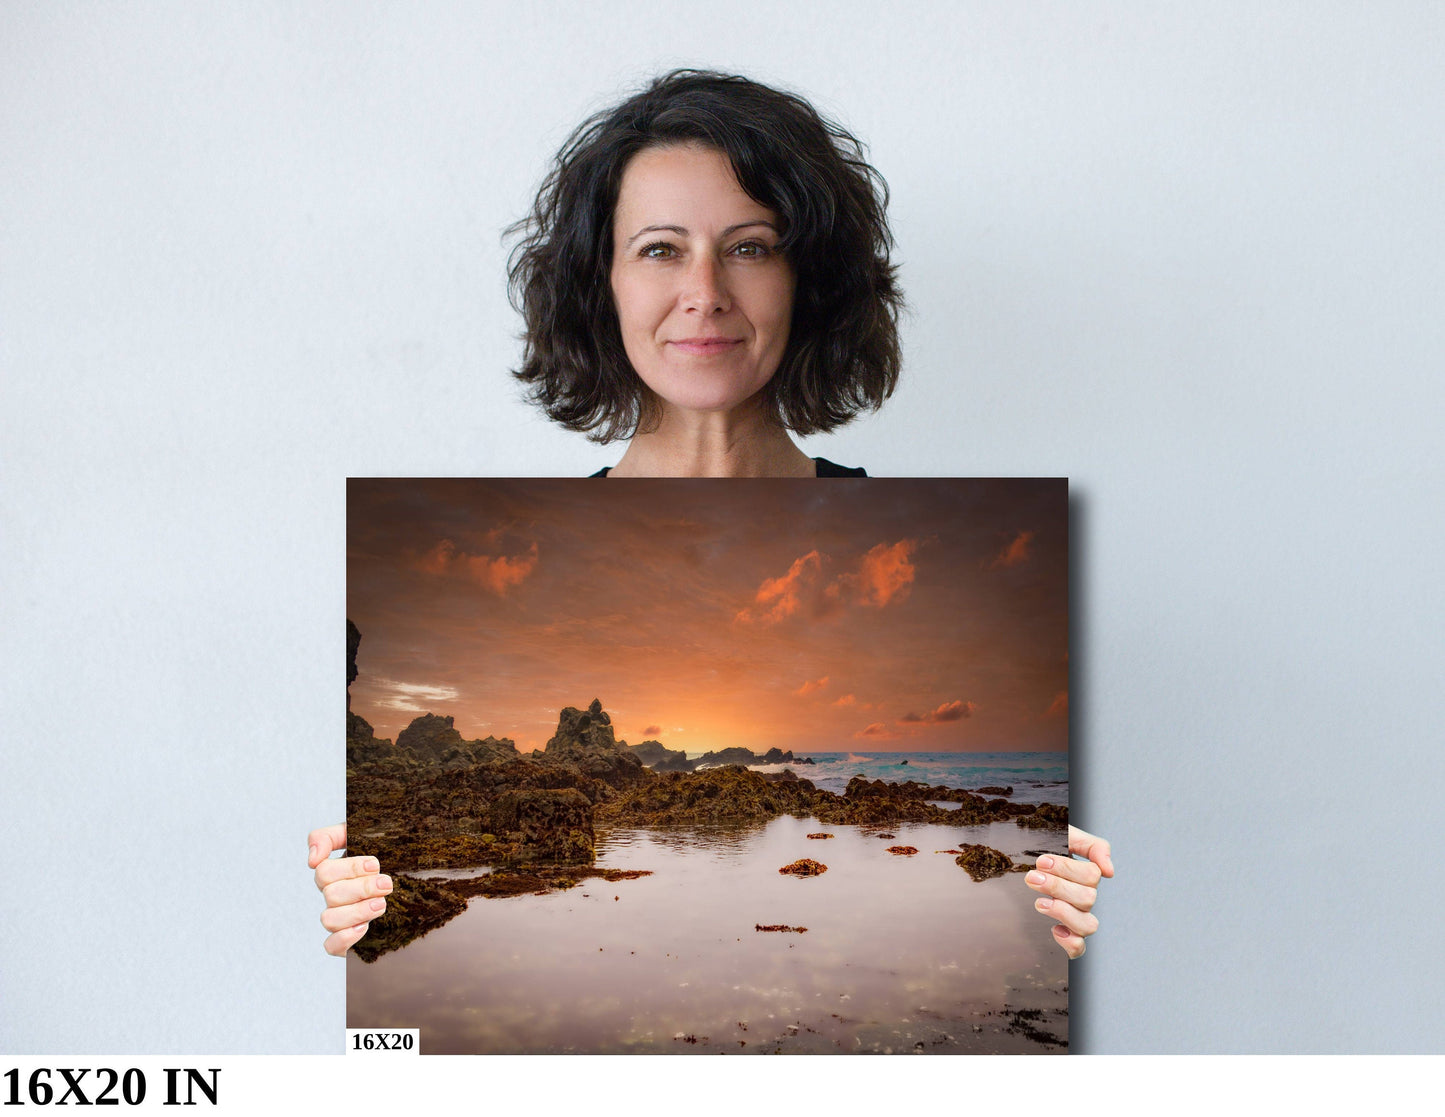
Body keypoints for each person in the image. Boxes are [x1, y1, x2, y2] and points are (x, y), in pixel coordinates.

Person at [310, 69, 1113, 961]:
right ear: (601, 281)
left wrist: (1057, 911)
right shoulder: (505, 538)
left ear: (807, 280)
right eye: (659, 249)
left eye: (750, 246)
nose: (705, 291)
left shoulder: (921, 537)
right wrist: (364, 910)